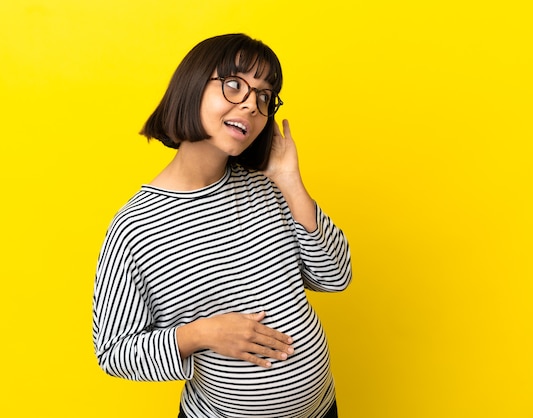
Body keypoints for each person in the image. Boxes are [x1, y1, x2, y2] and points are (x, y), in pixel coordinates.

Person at [92, 33, 352, 418]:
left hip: (319, 408)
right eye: (234, 85)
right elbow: (114, 353)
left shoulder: (268, 187)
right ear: (193, 85)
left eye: (264, 96)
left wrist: (291, 181)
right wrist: (203, 334)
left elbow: (335, 277)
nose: (250, 104)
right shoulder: (136, 227)